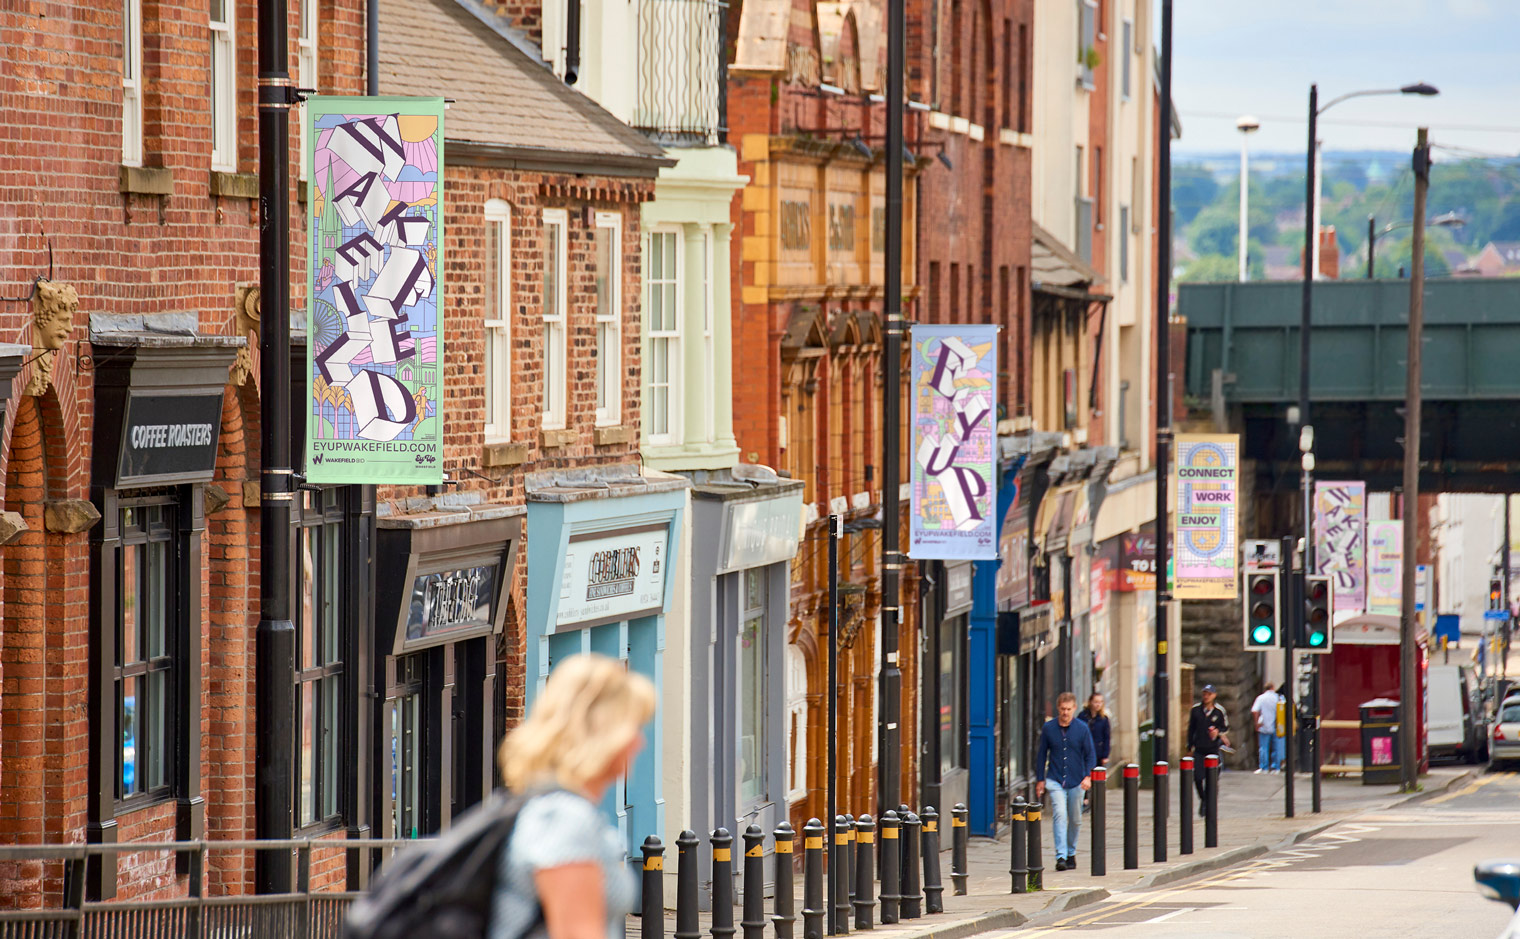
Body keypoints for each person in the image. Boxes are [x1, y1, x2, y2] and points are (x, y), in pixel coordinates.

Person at [491, 654, 657, 939]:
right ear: (603, 732)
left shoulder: (559, 808)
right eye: (633, 727)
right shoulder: (565, 819)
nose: (639, 742)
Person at [1035, 692, 1097, 872]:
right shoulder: (1049, 728)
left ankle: (1071, 852)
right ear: (1058, 708)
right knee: (1060, 814)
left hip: (1077, 780)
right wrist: (1040, 779)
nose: (1065, 712)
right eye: (1062, 709)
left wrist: (1088, 776)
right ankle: (1060, 856)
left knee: (1075, 819)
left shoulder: (1082, 729)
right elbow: (1041, 755)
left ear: (1074, 708)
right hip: (1055, 779)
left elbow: (1090, 755)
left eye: (1069, 709)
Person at [1186, 684, 1230, 817]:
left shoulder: (1219, 711)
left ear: (1214, 695)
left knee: (1212, 779)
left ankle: (1207, 804)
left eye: (1209, 694)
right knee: (1197, 778)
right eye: (1204, 694)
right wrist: (1189, 746)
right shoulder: (1196, 710)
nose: (1206, 696)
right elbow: (1191, 729)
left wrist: (1218, 732)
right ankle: (1204, 799)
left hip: (1213, 749)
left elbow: (1225, 728)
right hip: (1199, 749)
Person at [1077, 693, 1111, 813]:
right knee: (1084, 775)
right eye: (1096, 701)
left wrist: (1105, 755)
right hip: (1083, 752)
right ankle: (1084, 800)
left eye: (1100, 702)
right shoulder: (1083, 716)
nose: (1098, 704)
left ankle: (1096, 801)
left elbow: (1107, 737)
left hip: (1098, 753)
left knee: (1096, 778)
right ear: (1090, 702)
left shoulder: (1103, 719)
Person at [1250, 682, 1280, 773]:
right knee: (1276, 747)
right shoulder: (1278, 697)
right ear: (1273, 688)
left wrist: (1256, 723)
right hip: (1276, 725)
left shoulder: (1261, 698)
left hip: (1263, 725)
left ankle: (1264, 767)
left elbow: (1255, 711)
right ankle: (1276, 767)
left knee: (1263, 748)